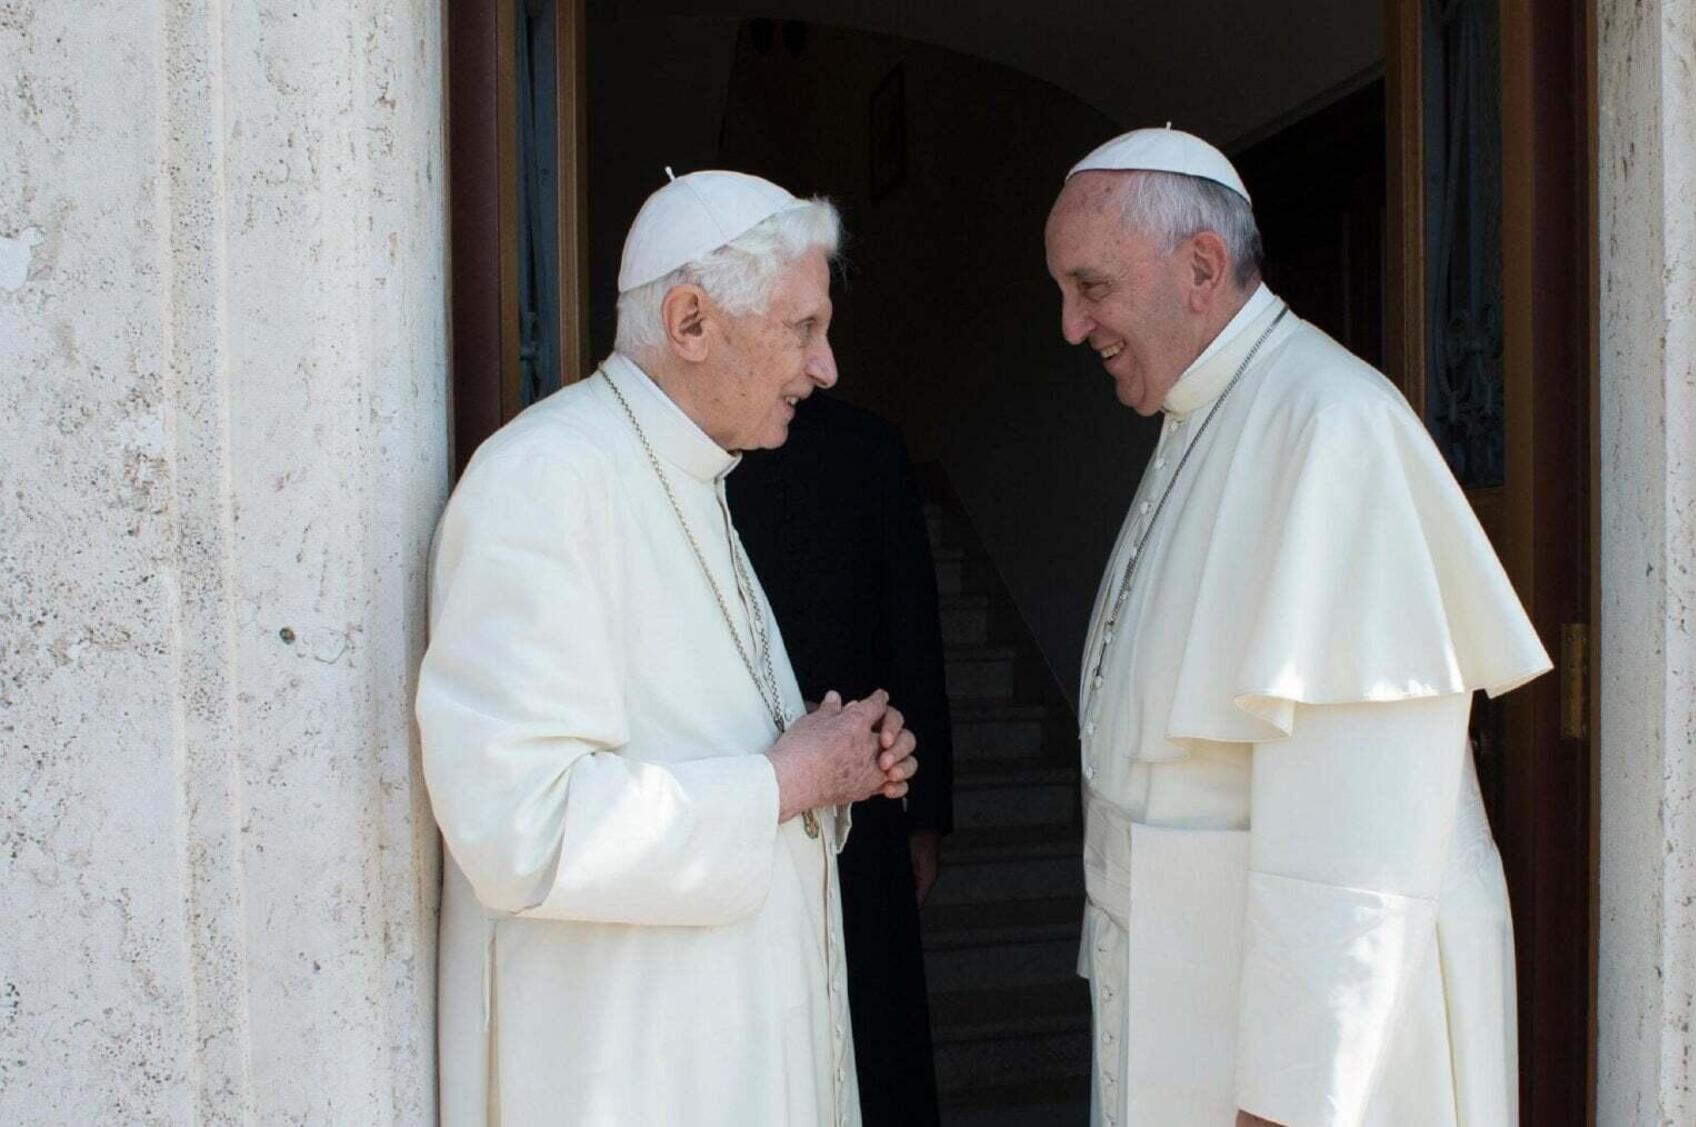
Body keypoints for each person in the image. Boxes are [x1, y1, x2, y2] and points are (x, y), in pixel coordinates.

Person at [1044, 128, 1552, 1127]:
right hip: (1187, 1010)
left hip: (1290, 1071)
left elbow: (1358, 836)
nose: (1070, 325)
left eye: (1089, 286)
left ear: (1198, 266)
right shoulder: (1211, 412)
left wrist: (1288, 1105)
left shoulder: (1329, 425)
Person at [416, 169, 918, 1127]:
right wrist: (783, 783)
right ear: (691, 322)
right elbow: (522, 825)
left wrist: (834, 761)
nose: (827, 368)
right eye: (802, 328)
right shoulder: (546, 479)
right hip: (630, 1073)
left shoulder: (694, 477)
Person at [731, 391, 956, 1126]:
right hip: (744, 803)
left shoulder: (869, 445)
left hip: (861, 793)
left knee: (874, 1025)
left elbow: (911, 627)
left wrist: (921, 812)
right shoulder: (692, 457)